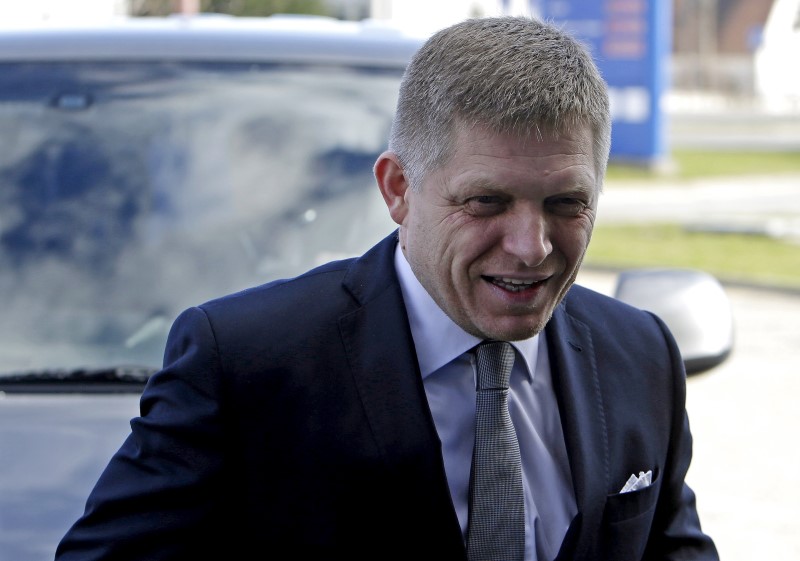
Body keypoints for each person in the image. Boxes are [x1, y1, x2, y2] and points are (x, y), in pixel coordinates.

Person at [55, 16, 719, 561]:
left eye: (566, 203)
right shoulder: (246, 364)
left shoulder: (641, 354)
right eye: (487, 201)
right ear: (398, 189)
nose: (532, 245)